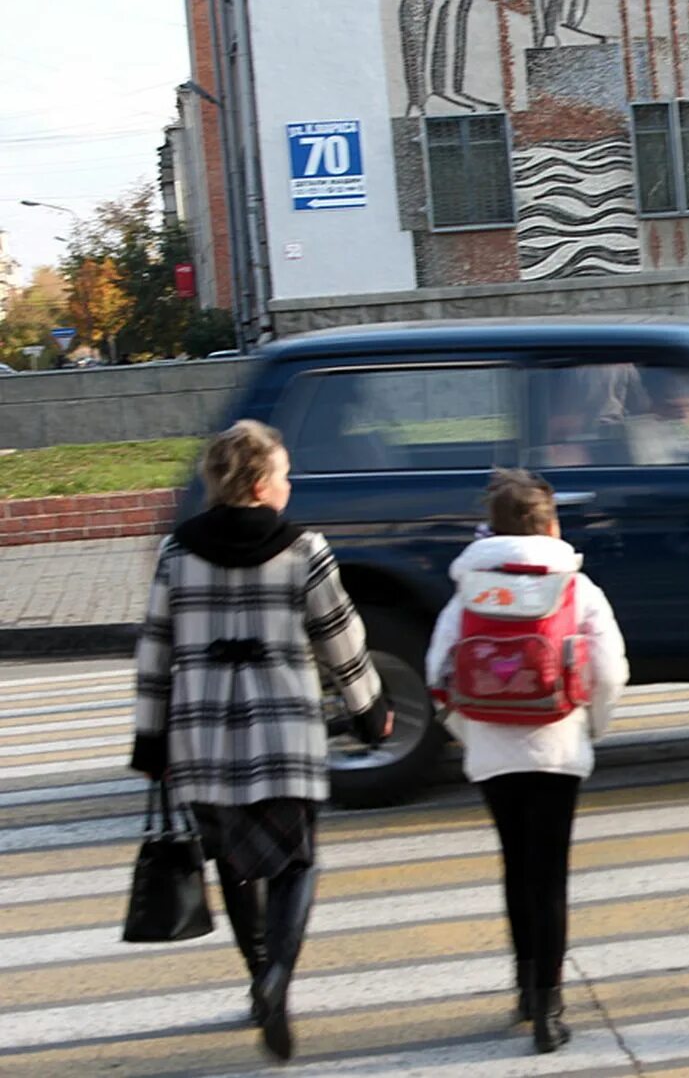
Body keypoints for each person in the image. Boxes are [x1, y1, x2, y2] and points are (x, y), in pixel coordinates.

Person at [130, 419, 391, 1062]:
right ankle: (279, 979)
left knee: (233, 866)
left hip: (204, 740)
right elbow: (341, 640)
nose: (290, 482)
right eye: (283, 473)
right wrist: (369, 710)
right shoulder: (304, 550)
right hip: (284, 735)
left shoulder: (177, 552)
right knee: (296, 860)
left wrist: (150, 741)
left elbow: (154, 653)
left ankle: (257, 980)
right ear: (258, 482)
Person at [425, 469, 629, 1055]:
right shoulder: (577, 588)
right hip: (557, 744)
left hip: (492, 750)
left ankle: (522, 987)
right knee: (551, 873)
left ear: (491, 527)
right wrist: (591, 725)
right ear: (551, 524)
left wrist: (469, 730)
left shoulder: (469, 591)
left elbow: (439, 670)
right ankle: (551, 1001)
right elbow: (609, 670)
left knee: (517, 866)